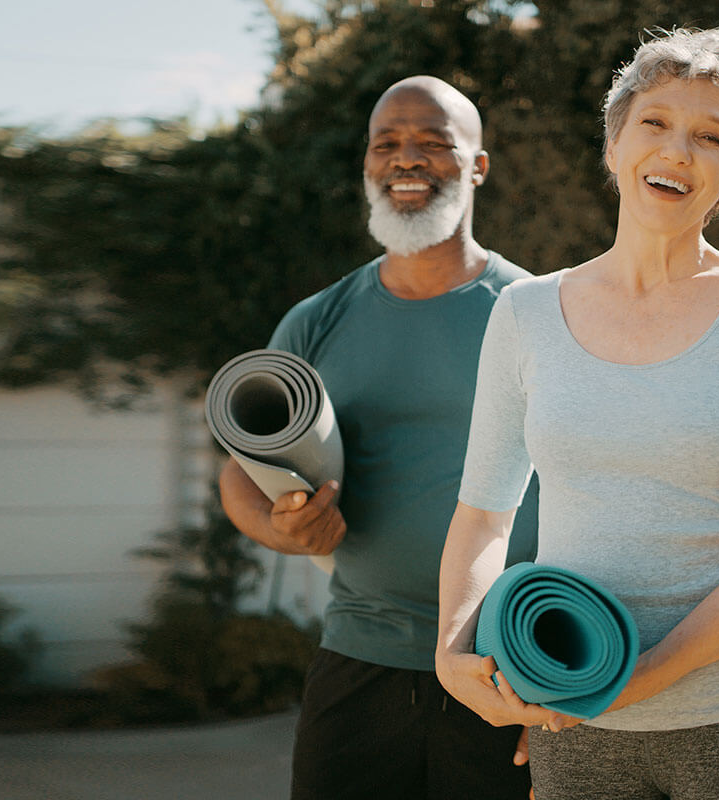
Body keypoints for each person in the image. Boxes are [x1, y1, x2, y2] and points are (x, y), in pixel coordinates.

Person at [434, 27, 719, 800]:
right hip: (576, 722)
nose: (679, 150)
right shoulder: (524, 312)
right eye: (655, 122)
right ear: (616, 143)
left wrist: (636, 679)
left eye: (710, 137)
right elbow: (484, 516)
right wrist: (453, 652)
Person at [217, 75, 541, 800]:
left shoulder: (539, 315)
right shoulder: (317, 321)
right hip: (358, 660)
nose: (407, 158)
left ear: (478, 166)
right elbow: (239, 473)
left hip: (505, 665)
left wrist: (559, 674)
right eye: (387, 143)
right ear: (366, 164)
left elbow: (599, 491)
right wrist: (282, 529)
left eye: (434, 143)